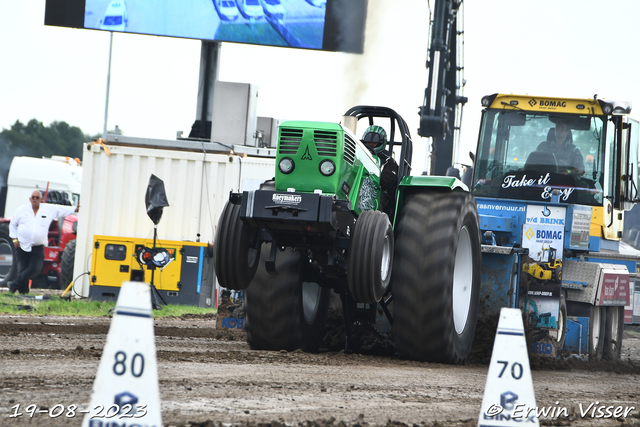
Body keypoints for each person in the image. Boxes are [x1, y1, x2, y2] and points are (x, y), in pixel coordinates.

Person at [8, 190, 79, 294]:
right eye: (33, 197)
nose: (35, 199)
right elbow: (13, 225)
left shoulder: (48, 209)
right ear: (30, 199)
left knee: (35, 268)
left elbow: (61, 209)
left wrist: (75, 209)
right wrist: (14, 239)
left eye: (37, 197)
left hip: (38, 246)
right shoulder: (21, 210)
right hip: (22, 245)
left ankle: (14, 284)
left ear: (41, 199)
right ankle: (23, 293)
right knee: (22, 269)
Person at [361, 125, 399, 216]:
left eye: (374, 143)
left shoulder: (389, 162)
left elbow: (389, 181)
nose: (370, 145)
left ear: (381, 143)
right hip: (359, 187)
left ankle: (373, 225)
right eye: (368, 142)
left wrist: (372, 175)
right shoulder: (359, 155)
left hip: (377, 192)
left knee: (377, 200)